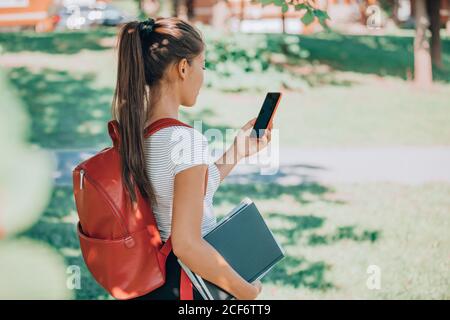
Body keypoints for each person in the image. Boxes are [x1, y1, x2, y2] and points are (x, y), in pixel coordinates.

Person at [111, 16, 272, 300]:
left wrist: (237, 151)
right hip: (192, 285)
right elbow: (187, 245)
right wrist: (246, 292)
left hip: (157, 282)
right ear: (184, 68)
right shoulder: (186, 140)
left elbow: (185, 193)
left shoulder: (139, 132)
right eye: (203, 65)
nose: (203, 75)